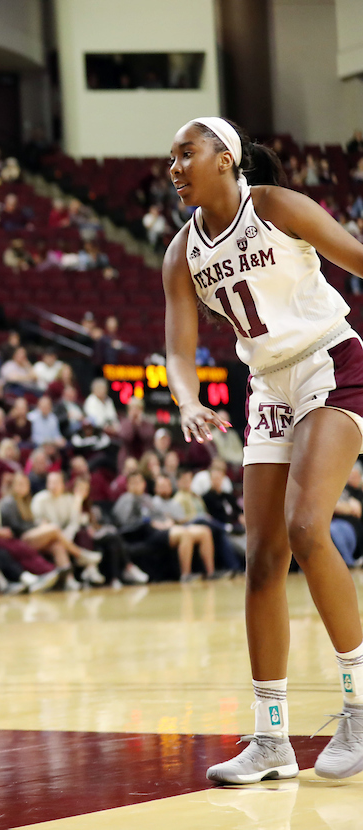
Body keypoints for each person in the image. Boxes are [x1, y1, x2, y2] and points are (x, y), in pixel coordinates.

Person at [163, 117, 363, 784]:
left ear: (225, 158)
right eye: (171, 158)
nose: (175, 167)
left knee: (307, 527)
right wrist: (187, 400)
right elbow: (178, 348)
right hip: (267, 384)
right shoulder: (181, 253)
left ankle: (360, 706)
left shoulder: (274, 205)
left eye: (186, 153)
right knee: (263, 560)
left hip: (330, 361)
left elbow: (358, 258)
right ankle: (272, 739)